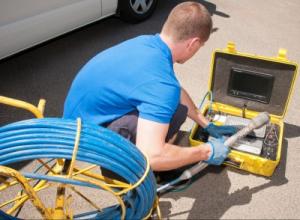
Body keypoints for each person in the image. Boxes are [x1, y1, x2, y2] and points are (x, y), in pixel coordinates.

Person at [63, 2, 236, 172]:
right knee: (175, 113)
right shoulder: (162, 84)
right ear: (193, 43)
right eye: (200, 47)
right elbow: (152, 156)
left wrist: (207, 125)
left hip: (71, 126)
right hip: (83, 143)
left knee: (172, 102)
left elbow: (172, 90)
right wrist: (206, 152)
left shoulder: (147, 43)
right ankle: (129, 177)